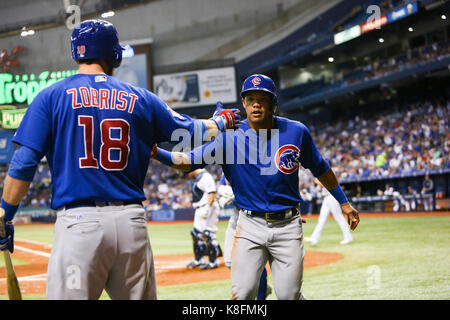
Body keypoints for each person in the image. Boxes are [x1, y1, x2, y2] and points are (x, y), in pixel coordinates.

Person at [0, 19, 239, 300]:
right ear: (113, 54)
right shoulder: (141, 97)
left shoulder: (50, 96)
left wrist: (6, 215)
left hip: (79, 223)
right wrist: (220, 121)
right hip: (131, 224)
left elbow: (24, 163)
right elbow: (191, 130)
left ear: (76, 52)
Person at [152, 74, 360, 300]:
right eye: (250, 98)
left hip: (288, 225)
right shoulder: (228, 137)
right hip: (249, 224)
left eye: (263, 98)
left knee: (289, 295)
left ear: (273, 103)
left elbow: (320, 168)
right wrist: (156, 153)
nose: (256, 104)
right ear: (243, 103)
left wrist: (344, 202)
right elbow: (188, 161)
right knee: (242, 294)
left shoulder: (296, 131)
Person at [217, 174, 271, 300]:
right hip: (238, 214)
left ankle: (260, 295)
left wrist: (236, 195)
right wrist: (225, 191)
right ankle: (262, 286)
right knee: (230, 261)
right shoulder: (233, 160)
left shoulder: (258, 163)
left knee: (256, 261)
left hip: (257, 217)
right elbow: (222, 184)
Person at [185, 168, 223, 270]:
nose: (186, 176)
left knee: (208, 234)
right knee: (195, 233)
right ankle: (199, 259)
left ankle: (213, 261)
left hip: (207, 207)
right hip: (199, 208)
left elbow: (212, 192)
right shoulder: (197, 178)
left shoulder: (205, 176)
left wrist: (207, 207)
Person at [305, 179, 353, 246]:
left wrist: (317, 181)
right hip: (326, 198)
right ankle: (314, 238)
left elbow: (324, 184)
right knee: (322, 219)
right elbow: (318, 189)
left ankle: (348, 237)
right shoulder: (320, 175)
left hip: (332, 197)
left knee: (339, 218)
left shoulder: (328, 172)